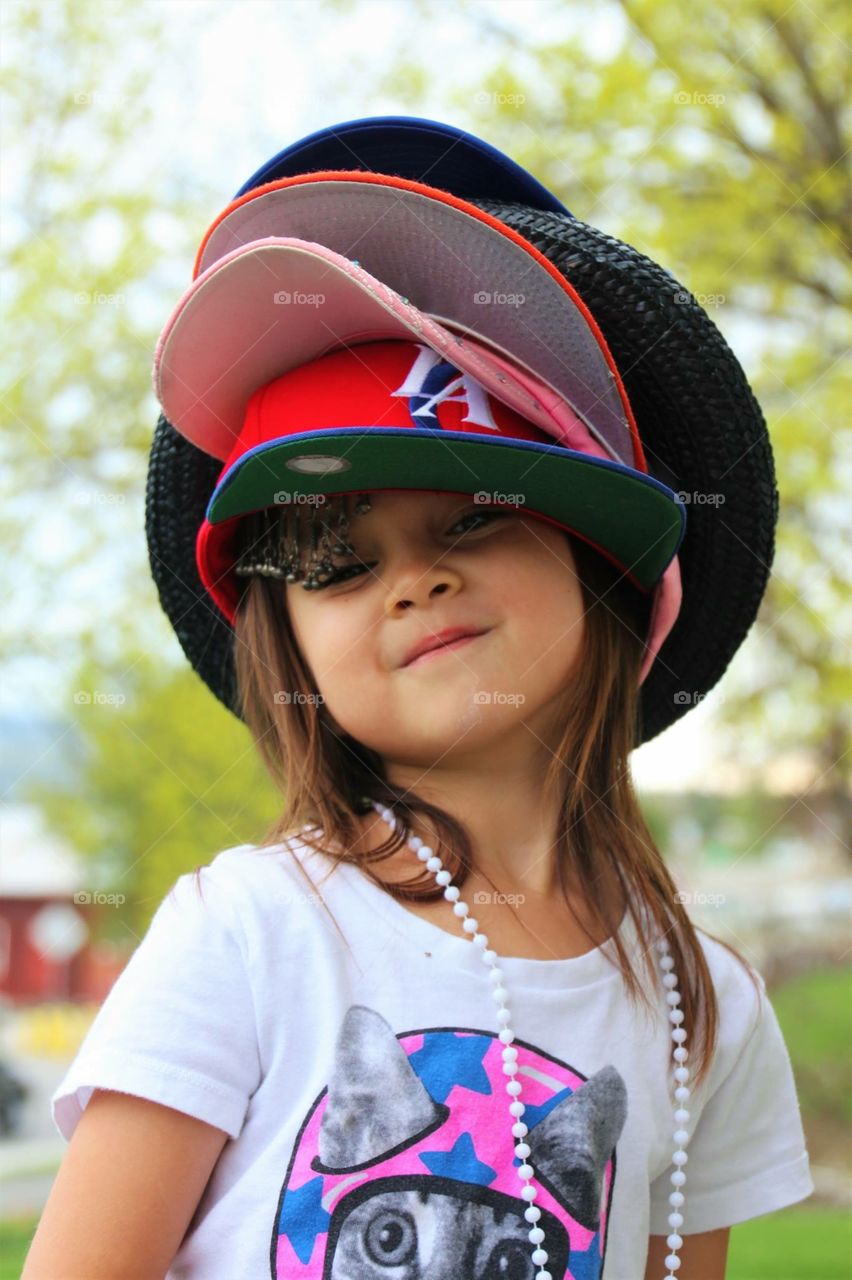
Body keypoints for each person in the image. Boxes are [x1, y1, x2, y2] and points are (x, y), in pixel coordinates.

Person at [24, 120, 814, 1280]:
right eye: (335, 558)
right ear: (280, 632)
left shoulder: (710, 1007)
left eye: (477, 513)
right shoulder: (249, 936)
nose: (414, 579)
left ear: (605, 569)